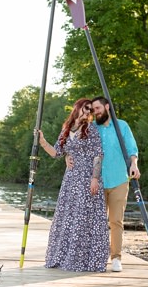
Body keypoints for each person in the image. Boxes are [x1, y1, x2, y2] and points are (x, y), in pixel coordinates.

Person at [37, 98, 110, 273]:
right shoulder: (66, 129)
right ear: (77, 108)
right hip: (70, 180)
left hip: (87, 178)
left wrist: (94, 178)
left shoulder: (91, 129)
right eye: (85, 109)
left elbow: (98, 155)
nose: (88, 113)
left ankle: (85, 260)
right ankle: (64, 257)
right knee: (68, 217)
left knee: (84, 218)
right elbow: (56, 153)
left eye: (90, 111)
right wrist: (42, 141)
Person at [89, 96, 139, 273]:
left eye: (98, 108)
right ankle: (97, 256)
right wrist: (67, 156)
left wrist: (134, 164)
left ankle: (116, 258)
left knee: (116, 221)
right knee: (97, 221)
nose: (96, 112)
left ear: (107, 107)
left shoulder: (122, 126)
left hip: (119, 180)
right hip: (97, 181)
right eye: (93, 109)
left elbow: (132, 149)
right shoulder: (92, 128)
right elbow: (77, 146)